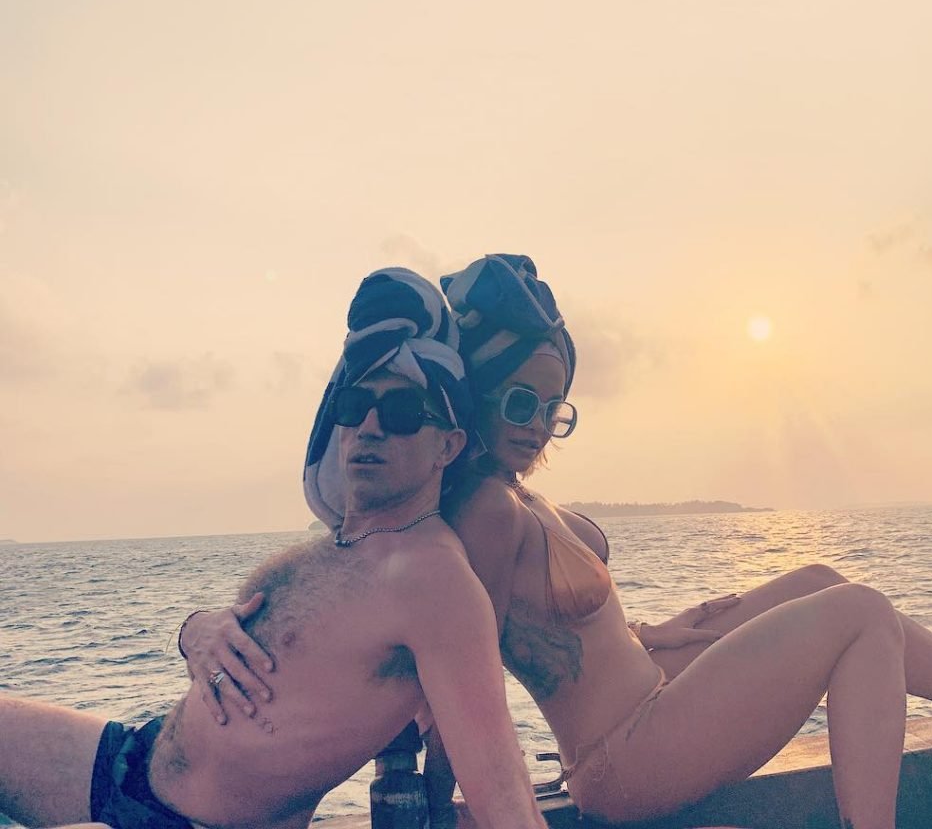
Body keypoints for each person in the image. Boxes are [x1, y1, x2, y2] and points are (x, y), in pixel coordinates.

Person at [183, 256, 932, 829]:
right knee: (858, 613)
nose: (536, 424)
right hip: (625, 756)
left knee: (818, 578)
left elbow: (575, 630)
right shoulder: (479, 513)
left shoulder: (521, 497)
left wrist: (661, 630)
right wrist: (207, 629)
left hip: (654, 693)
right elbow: (445, 671)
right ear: (475, 400)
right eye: (518, 402)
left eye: (552, 409)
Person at [0, 268, 546, 829]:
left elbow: (502, 791)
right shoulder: (341, 545)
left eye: (403, 412)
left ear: (448, 447)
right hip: (137, 756)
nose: (370, 427)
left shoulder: (433, 579)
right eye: (354, 405)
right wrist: (194, 631)